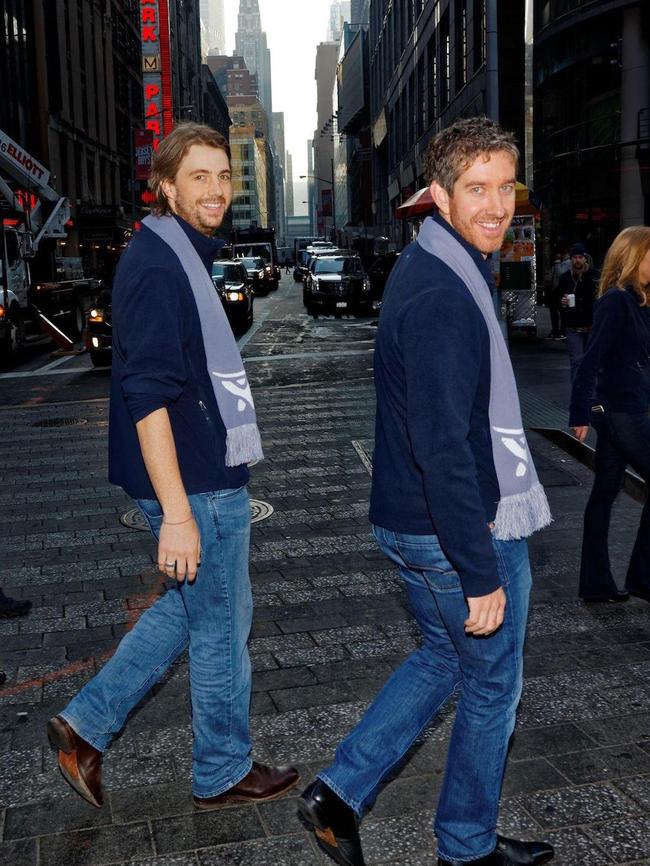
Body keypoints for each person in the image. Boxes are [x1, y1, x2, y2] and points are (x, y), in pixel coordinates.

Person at [296, 118, 553, 866]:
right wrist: (479, 572)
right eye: (477, 188)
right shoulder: (445, 290)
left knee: (442, 659)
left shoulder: (439, 264)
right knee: (491, 688)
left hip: (412, 522)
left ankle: (337, 794)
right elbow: (443, 447)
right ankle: (466, 848)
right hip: (459, 530)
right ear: (438, 195)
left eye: (506, 187)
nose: (497, 205)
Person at [47, 123, 298, 810]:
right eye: (199, 177)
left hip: (201, 472)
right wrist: (179, 514)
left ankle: (85, 728)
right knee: (220, 631)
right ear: (165, 186)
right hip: (197, 483)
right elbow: (146, 395)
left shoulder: (174, 254)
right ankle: (221, 768)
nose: (216, 189)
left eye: (223, 175)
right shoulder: (159, 265)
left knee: (192, 614)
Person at [570, 226, 650, 603]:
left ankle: (596, 584)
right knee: (604, 494)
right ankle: (642, 577)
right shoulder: (615, 302)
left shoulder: (639, 302)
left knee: (604, 494)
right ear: (634, 257)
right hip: (617, 411)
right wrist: (579, 412)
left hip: (627, 407)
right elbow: (591, 360)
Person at [559, 243, 599, 381]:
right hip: (573, 327)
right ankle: (578, 398)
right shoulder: (565, 278)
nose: (577, 260)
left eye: (580, 257)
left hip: (592, 326)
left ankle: (591, 396)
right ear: (571, 259)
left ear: (585, 258)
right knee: (576, 362)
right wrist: (562, 302)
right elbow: (556, 299)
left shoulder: (595, 276)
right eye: (575, 257)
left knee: (592, 363)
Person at [545, 251, 569, 340]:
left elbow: (560, 274)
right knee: (554, 311)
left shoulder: (567, 263)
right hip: (554, 290)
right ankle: (555, 330)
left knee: (562, 311)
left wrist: (557, 262)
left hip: (561, 290)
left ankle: (562, 331)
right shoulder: (559, 263)